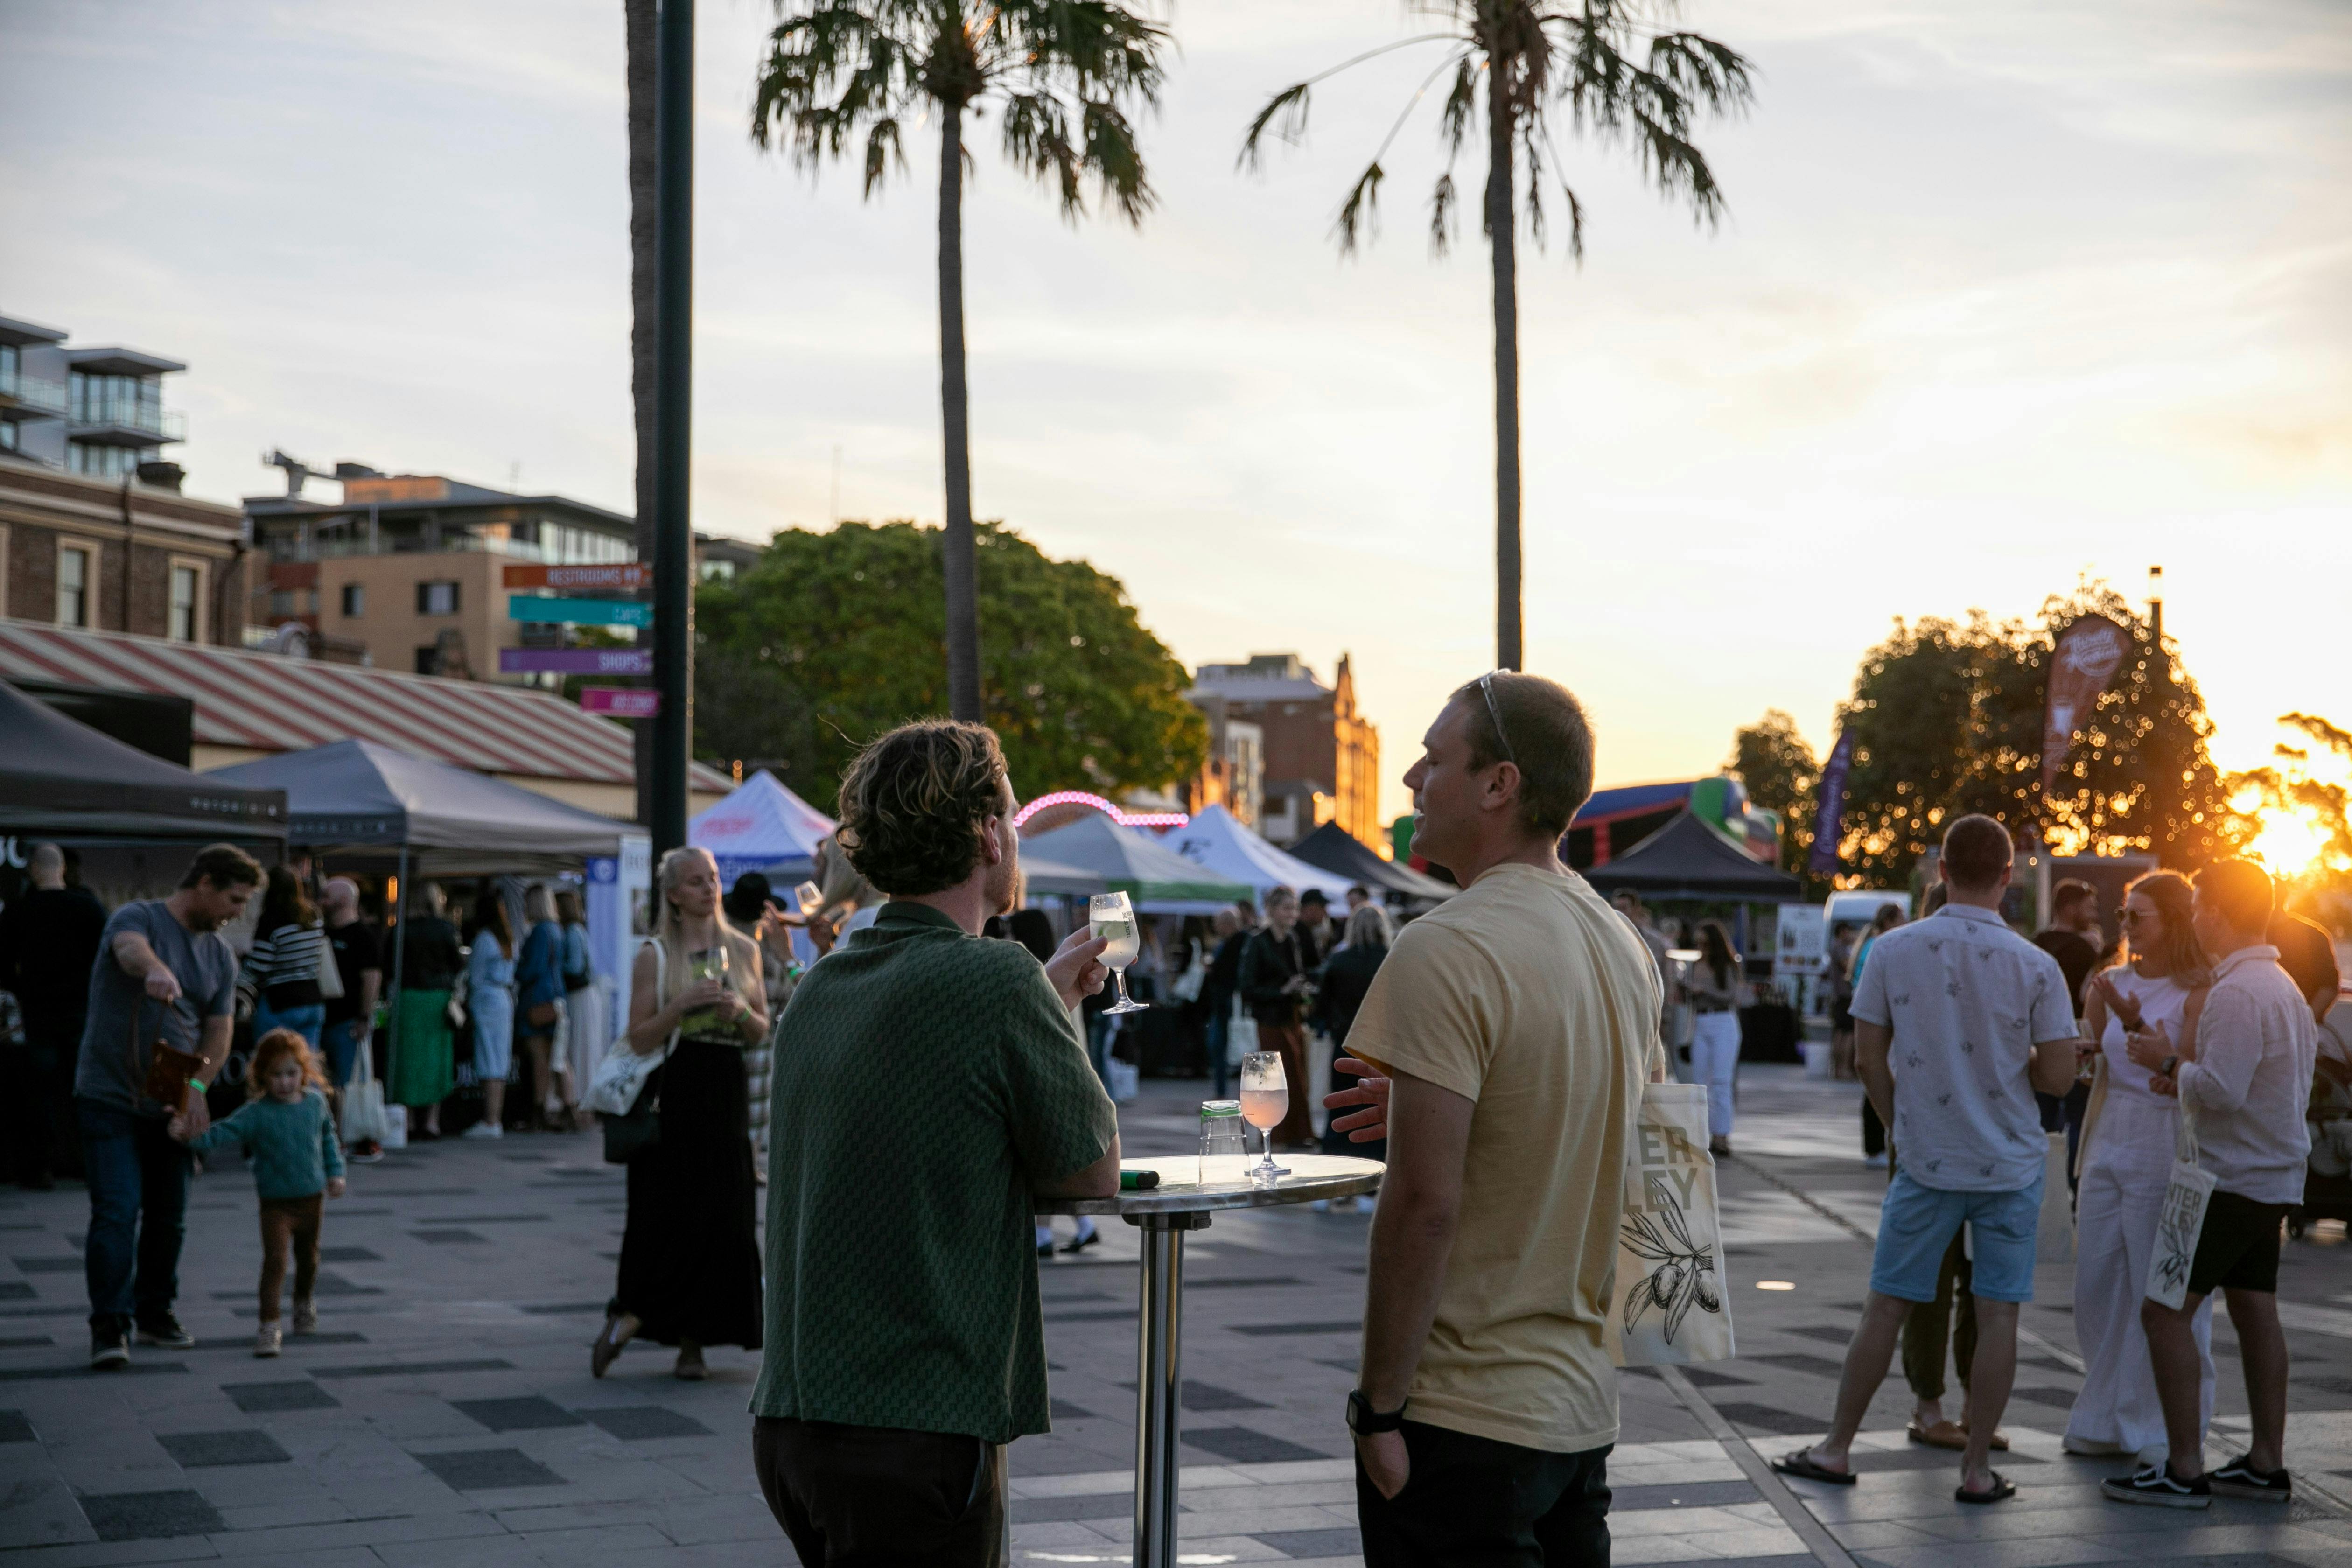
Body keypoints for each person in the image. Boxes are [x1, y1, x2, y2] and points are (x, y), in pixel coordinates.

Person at [750, 720, 1118, 1565]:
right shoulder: (995, 976)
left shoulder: (829, 982)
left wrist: (1046, 994)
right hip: (912, 1424)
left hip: (798, 1422)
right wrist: (1049, 1002)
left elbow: (929, 1109)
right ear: (988, 834)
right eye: (1016, 818)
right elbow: (1091, 1169)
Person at [1313, 672, 1657, 1567]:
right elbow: (1620, 1134)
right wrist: (1456, 1107)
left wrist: (1378, 1409)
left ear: (1499, 784)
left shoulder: (1446, 944)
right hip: (1579, 1409)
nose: (1411, 782)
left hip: (1463, 1412)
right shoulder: (1622, 943)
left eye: (1434, 759)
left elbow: (1424, 1204)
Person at [1773, 814, 2078, 1505]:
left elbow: (1867, 1057)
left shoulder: (1892, 950)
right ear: (2007, 876)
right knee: (1999, 1316)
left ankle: (1836, 1447)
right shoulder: (2038, 966)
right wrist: (2015, 1060)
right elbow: (2059, 1078)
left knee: (1886, 1308)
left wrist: (1895, 1123)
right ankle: (1975, 1468)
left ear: (1942, 870)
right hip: (2009, 1165)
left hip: (1927, 1159)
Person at [2107, 860, 2317, 1508]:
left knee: (2162, 1311)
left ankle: (2183, 1466)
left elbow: (2222, 1090)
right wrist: (2185, 1069)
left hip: (2221, 1180)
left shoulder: (2235, 992)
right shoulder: (2281, 984)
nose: (2195, 917)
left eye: (2199, 906)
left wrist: (2166, 1059)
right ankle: (2265, 1460)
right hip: (2272, 1174)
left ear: (2220, 914)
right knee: (2256, 1311)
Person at [77, 843, 263, 1369]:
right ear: (204, 882)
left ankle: (156, 1311)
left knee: (169, 1217)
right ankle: (110, 1325)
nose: (237, 913)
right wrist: (155, 971)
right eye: (234, 898)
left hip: (170, 1096)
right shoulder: (140, 917)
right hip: (108, 1094)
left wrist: (198, 1090)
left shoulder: (220, 955)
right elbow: (128, 948)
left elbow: (219, 1030)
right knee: (116, 1211)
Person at [595, 847, 768, 1382]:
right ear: (673, 894)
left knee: (725, 1213)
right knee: (666, 1211)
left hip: (724, 1089)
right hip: (674, 1090)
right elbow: (637, 1035)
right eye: (695, 882)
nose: (708, 889)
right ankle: (633, 1315)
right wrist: (680, 1007)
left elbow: (762, 1028)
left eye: (712, 879)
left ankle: (695, 1341)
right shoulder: (655, 952)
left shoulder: (742, 948)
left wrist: (737, 1012)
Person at [2066, 871, 2215, 1465]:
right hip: (2108, 1136)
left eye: (2139, 917)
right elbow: (2094, 1061)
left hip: (2165, 1138)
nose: (2125, 927)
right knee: (2098, 1283)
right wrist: (2081, 1048)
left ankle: (2153, 1427)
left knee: (2158, 1286)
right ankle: (2101, 1413)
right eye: (2124, 916)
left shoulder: (2197, 991)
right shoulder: (2109, 983)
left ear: (2175, 921)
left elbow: (2200, 1073)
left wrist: (2149, 1043)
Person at [169, 1028, 345, 1358]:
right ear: (262, 1075)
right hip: (275, 1205)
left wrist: (336, 1174)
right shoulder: (257, 1113)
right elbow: (220, 1134)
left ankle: (304, 1303)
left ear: (304, 1072)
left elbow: (328, 1141)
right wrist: (188, 1136)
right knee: (276, 1262)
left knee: (309, 1260)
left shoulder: (315, 1104)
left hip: (312, 1200)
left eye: (292, 1074)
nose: (285, 1082)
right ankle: (269, 1325)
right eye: (276, 1075)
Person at [0, 842, 108, 1187]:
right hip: (81, 1012)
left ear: (33, 869)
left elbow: (3, 967)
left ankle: (40, 1166)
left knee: (40, 1094)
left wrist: (22, 989)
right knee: (82, 1090)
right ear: (62, 868)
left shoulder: (19, 912)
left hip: (38, 1014)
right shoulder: (88, 908)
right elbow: (107, 961)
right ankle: (83, 1161)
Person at [1312, 903, 1392, 1190]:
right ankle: (1374, 1176)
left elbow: (1320, 1005)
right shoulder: (1391, 959)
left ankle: (1335, 1174)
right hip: (1382, 1046)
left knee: (1341, 1107)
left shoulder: (1339, 960)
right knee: (1378, 1107)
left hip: (1345, 1042)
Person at [1237, 886, 1317, 1149]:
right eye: (1286, 908)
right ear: (1271, 910)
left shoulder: (1293, 940)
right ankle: (1276, 1134)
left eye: (1294, 908)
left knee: (1297, 1074)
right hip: (1269, 1018)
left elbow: (1299, 972)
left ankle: (1298, 1132)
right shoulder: (1258, 942)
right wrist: (1281, 991)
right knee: (1274, 1079)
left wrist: (1299, 988)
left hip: (1291, 1015)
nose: (1292, 914)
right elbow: (1247, 986)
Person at [389, 883, 464, 1139]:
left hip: (408, 997)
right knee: (437, 1060)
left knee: (407, 1058)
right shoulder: (445, 929)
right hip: (437, 999)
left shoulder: (400, 930)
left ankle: (408, 1120)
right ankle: (432, 1121)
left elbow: (388, 964)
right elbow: (457, 964)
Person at [318, 880, 382, 1153]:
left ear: (344, 900)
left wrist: (364, 1016)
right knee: (323, 1081)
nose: (321, 901)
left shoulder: (362, 936)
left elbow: (372, 978)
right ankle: (328, 1134)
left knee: (344, 1083)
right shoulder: (322, 933)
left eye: (327, 896)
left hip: (346, 1021)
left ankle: (341, 1137)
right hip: (322, 1017)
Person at [239, 866, 328, 1053]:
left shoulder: (271, 919)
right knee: (308, 1063)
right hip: (313, 999)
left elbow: (260, 967)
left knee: (270, 1059)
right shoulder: (313, 915)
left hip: (281, 1001)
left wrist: (241, 966)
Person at [1850, 904, 1906, 1167]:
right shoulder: (1882, 947)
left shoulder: (1871, 944)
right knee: (1876, 1072)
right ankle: (1876, 1146)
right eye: (1901, 919)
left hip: (1871, 1014)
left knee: (1873, 1074)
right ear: (1889, 921)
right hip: (1879, 1016)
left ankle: (1874, 1146)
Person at [464, 888, 518, 1139]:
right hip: (504, 999)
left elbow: (474, 977)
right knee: (500, 1060)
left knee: (488, 1059)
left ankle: (491, 1119)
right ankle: (495, 1118)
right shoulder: (506, 938)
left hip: (487, 1000)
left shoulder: (484, 939)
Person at [1687, 919, 1743, 1158]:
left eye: (1706, 944)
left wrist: (1704, 990)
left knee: (1721, 1081)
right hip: (1700, 1021)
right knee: (1700, 1083)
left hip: (1723, 1022)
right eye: (1699, 943)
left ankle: (1721, 1136)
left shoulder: (1727, 966)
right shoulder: (1694, 965)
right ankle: (1702, 1135)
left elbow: (1731, 996)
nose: (1702, 948)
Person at [514, 884, 566, 1132]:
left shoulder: (539, 932)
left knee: (538, 1058)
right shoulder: (556, 930)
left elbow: (532, 968)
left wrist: (517, 971)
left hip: (536, 1000)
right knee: (551, 1057)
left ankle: (538, 1109)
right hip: (554, 998)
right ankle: (555, 1107)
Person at [554, 887, 602, 1130]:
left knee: (577, 1049)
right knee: (584, 1049)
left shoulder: (571, 932)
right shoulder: (579, 931)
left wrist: (555, 966)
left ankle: (577, 1102)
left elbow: (573, 967)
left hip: (578, 996)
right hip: (585, 995)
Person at [1827, 922, 1860, 1081]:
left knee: (1840, 1032)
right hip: (1845, 995)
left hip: (1839, 996)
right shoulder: (1839, 948)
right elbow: (1847, 966)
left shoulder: (1835, 946)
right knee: (1848, 1033)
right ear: (1843, 932)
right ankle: (1843, 1068)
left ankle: (1837, 1068)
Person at [1297, 888, 1337, 968]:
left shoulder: (1306, 931)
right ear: (1309, 909)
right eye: (1322, 907)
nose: (1325, 912)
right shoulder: (1296, 934)